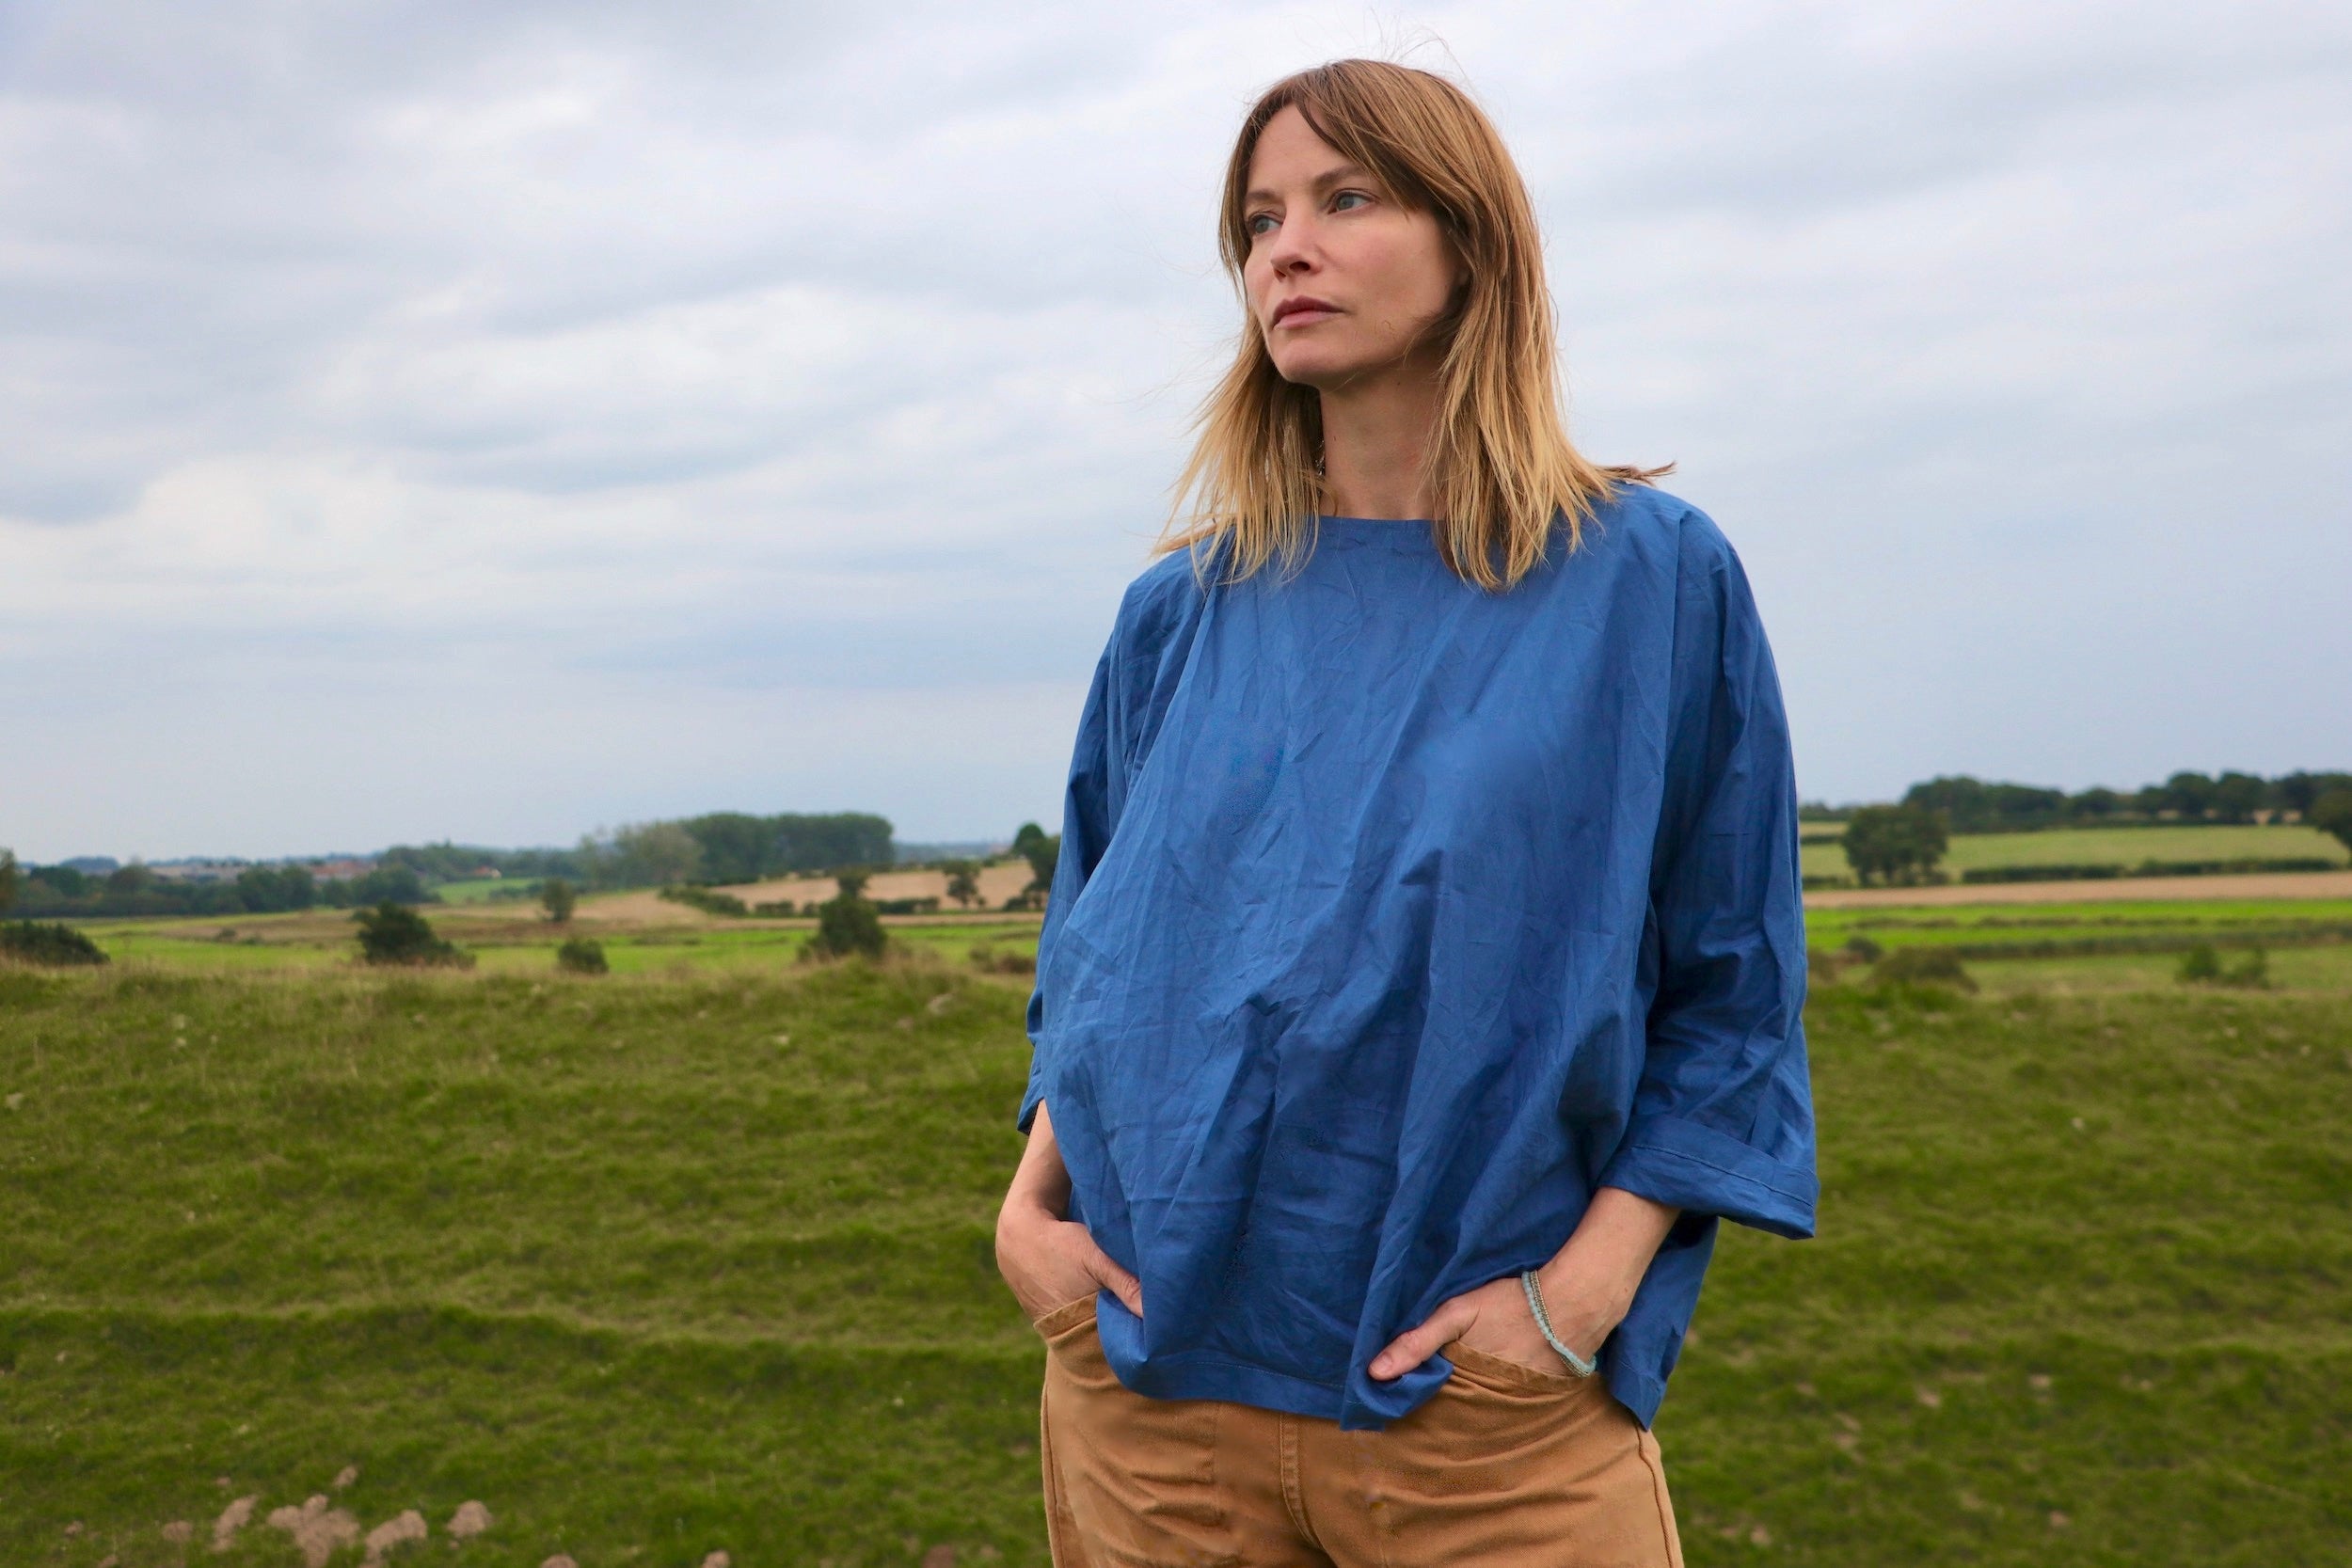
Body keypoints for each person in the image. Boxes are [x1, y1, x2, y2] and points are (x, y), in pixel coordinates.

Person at [994, 57, 1816, 1568]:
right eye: (1257, 219)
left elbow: (1734, 990)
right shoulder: (1177, 612)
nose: (1283, 250)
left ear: (1474, 247)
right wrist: (1031, 1218)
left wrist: (1573, 1304)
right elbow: (1090, 953)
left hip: (1483, 1427)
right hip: (1148, 1406)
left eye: (1345, 199)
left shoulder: (1650, 581)